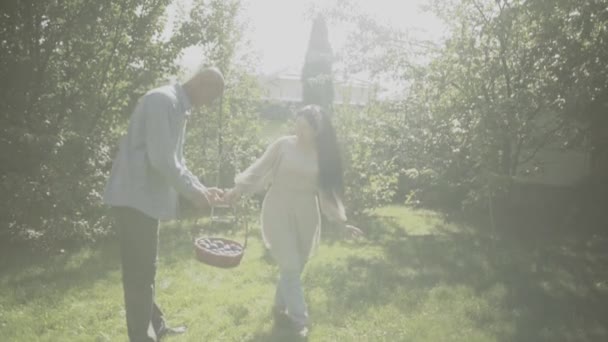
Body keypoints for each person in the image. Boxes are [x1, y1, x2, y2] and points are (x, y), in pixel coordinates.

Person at [103, 67, 225, 341]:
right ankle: (141, 337)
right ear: (201, 84)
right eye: (211, 97)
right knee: (139, 273)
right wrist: (194, 194)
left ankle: (155, 326)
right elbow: (162, 160)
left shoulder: (177, 106)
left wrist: (203, 189)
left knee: (147, 268)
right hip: (134, 199)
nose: (208, 105)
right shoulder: (163, 101)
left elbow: (175, 161)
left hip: (145, 200)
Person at [223, 105, 363, 338]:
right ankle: (300, 320)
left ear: (317, 130)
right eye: (297, 125)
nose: (299, 131)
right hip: (278, 208)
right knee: (289, 264)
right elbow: (259, 169)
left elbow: (326, 194)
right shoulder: (283, 145)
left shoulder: (322, 155)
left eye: (305, 127)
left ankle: (279, 309)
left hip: (306, 213)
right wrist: (238, 189)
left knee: (296, 266)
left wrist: (341, 223)